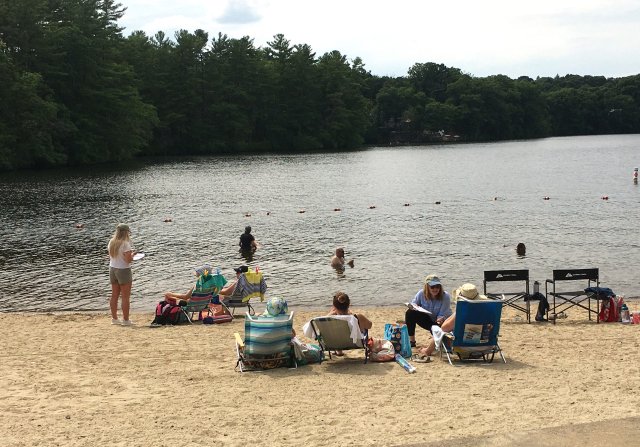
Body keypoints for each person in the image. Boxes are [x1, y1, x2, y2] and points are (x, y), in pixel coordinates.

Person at [416, 283, 489, 359]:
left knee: (438, 330)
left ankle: (427, 351)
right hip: (485, 345)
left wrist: (453, 315)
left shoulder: (462, 312)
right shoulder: (487, 310)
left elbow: (444, 328)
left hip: (464, 347)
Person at [405, 274, 452, 349]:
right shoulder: (421, 293)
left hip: (442, 322)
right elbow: (414, 304)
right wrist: (414, 306)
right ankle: (412, 341)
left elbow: (442, 314)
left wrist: (439, 320)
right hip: (428, 320)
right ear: (427, 287)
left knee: (438, 330)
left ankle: (439, 339)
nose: (435, 289)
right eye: (432, 287)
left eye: (437, 286)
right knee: (410, 312)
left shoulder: (445, 296)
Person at [107, 223, 136, 326]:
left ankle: (114, 319)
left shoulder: (111, 242)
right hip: (123, 270)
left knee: (114, 295)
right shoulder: (125, 244)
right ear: (126, 232)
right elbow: (128, 260)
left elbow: (112, 256)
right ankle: (126, 320)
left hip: (112, 269)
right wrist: (132, 255)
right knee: (125, 297)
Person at [163, 264, 227, 304]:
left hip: (192, 304)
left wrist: (171, 294)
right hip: (204, 304)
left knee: (167, 295)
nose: (196, 273)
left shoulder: (199, 285)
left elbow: (185, 297)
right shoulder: (213, 285)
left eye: (198, 272)